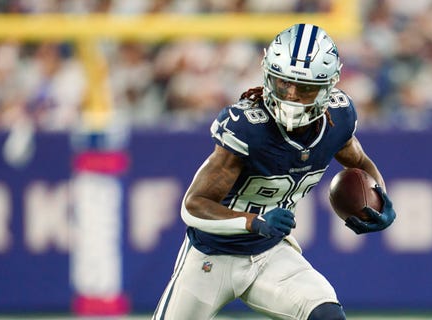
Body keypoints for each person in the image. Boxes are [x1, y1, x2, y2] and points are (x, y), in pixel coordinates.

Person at [152, 23, 396, 320]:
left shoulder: (338, 118)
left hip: (269, 254)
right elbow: (194, 207)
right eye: (283, 83)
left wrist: (379, 197)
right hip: (211, 258)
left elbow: (359, 163)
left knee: (327, 316)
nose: (291, 95)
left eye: (304, 87)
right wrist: (254, 222)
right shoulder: (249, 128)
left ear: (327, 87)